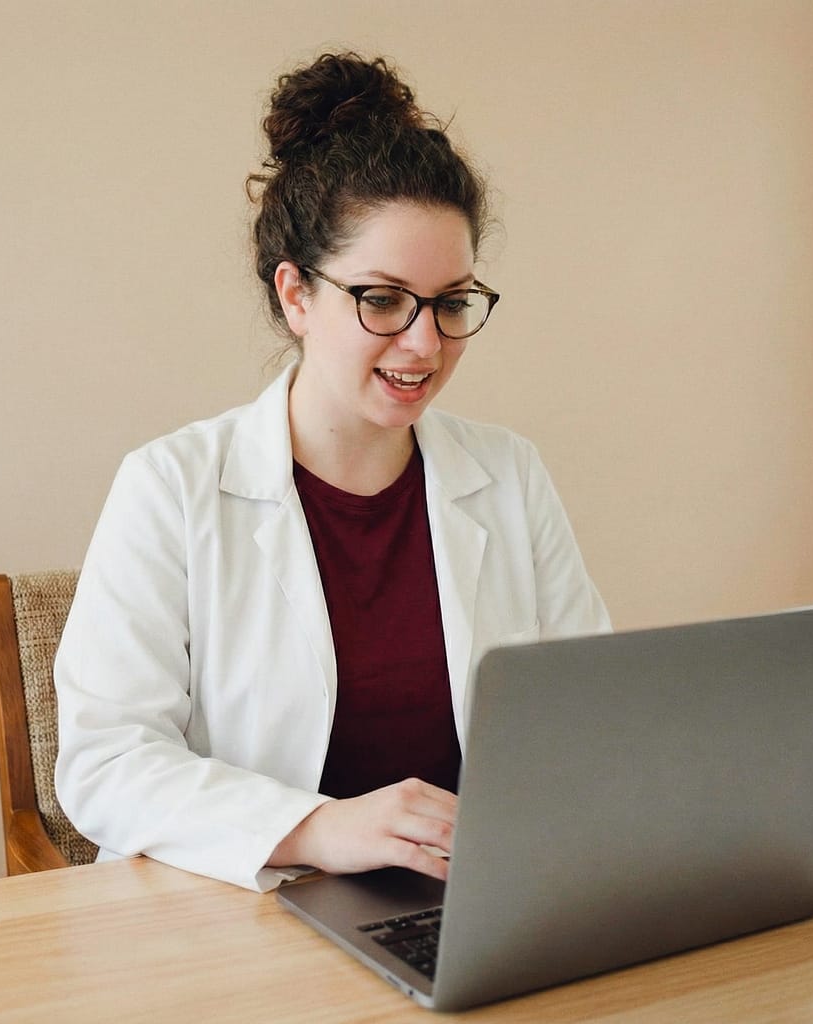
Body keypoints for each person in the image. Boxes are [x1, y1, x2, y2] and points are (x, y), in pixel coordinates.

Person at [54, 51, 610, 893]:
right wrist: (317, 827)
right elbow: (106, 765)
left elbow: (590, 715)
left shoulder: (507, 473)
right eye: (382, 300)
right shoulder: (171, 485)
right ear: (296, 295)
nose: (424, 344)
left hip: (467, 901)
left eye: (451, 302)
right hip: (246, 910)